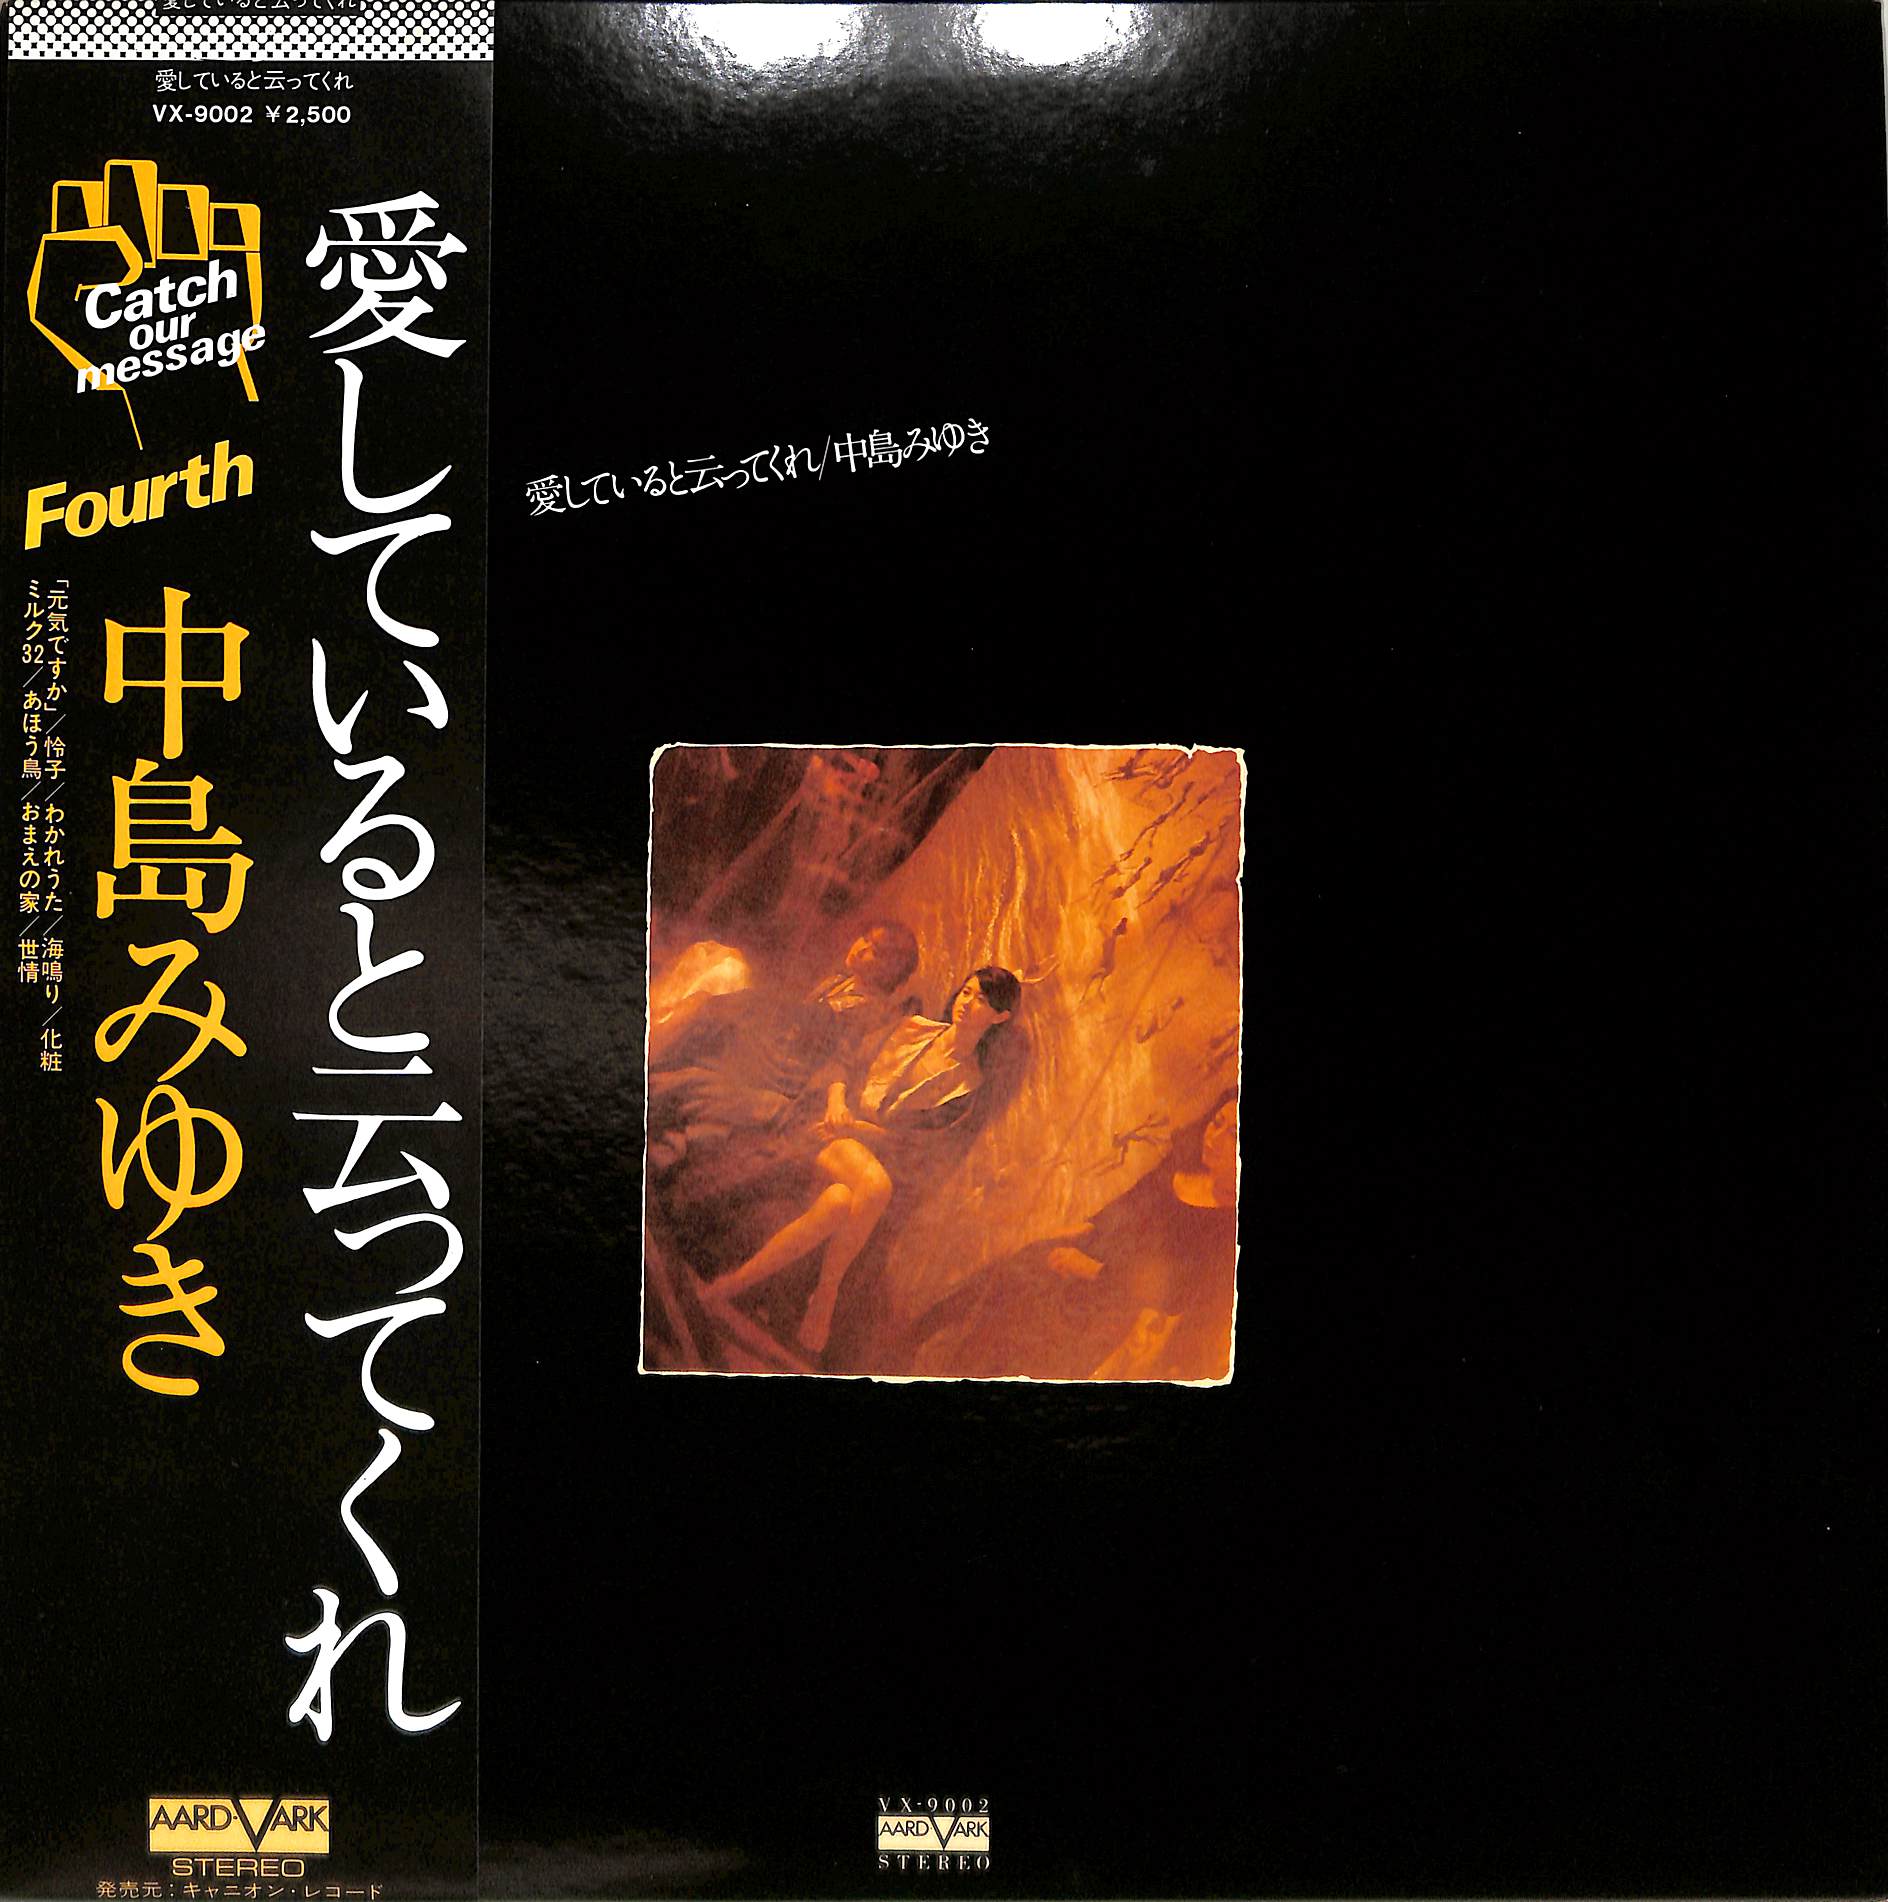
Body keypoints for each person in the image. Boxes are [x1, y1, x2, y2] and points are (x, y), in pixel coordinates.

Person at [701, 966, 1022, 1356]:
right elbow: (843, 1062)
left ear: (1000, 1017)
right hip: (823, 1122)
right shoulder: (910, 1028)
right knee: (876, 1186)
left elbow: (914, 1145)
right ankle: (825, 1298)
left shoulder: (968, 1085)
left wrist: (860, 1129)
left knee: (838, 1203)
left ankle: (729, 1288)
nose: (967, 1004)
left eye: (982, 1001)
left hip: (864, 1150)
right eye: (967, 992)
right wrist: (837, 1103)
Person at [645, 919, 918, 1170]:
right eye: (865, 939)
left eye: (875, 952)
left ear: (889, 971)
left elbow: (841, 1058)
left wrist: (835, 1100)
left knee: (714, 1008)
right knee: (714, 996)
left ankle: (652, 1064)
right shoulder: (839, 982)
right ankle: (655, 1055)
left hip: (789, 1070)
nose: (861, 948)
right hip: (779, 1045)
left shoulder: (872, 1011)